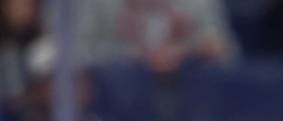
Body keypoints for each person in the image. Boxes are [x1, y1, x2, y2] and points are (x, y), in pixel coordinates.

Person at [74, 0, 238, 73]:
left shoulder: (197, 3)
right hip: (115, 102)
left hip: (189, 98)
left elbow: (227, 54)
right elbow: (78, 53)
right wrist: (137, 56)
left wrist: (186, 51)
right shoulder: (96, 3)